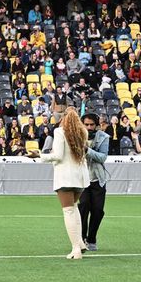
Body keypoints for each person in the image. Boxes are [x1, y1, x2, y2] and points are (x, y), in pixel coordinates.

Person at [40, 106, 90, 260]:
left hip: (66, 177)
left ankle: (76, 249)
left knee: (68, 211)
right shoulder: (83, 132)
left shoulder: (59, 132)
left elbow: (58, 155)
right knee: (74, 208)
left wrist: (40, 155)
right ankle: (80, 243)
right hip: (80, 177)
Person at [78, 113, 109, 251]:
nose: (89, 127)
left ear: (96, 125)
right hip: (81, 179)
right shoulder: (77, 137)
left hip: (98, 179)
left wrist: (87, 150)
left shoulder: (103, 137)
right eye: (86, 124)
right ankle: (81, 238)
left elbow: (102, 157)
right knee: (83, 207)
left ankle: (92, 239)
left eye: (91, 125)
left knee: (97, 210)